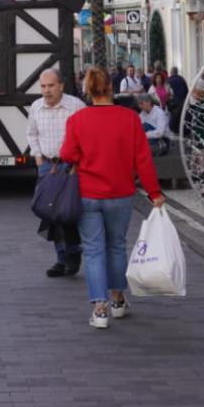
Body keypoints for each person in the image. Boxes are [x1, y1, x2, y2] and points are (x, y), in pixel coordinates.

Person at [59, 67, 166, 329]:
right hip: (120, 192)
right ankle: (118, 300)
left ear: (87, 90)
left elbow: (67, 154)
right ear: (109, 88)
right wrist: (154, 193)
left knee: (94, 250)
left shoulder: (77, 120)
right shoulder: (129, 119)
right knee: (117, 245)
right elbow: (143, 160)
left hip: (87, 193)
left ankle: (100, 308)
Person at [25, 68, 86, 278]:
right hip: (47, 166)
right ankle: (62, 258)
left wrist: (76, 166)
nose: (46, 91)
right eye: (43, 86)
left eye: (51, 86)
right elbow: (31, 134)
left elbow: (85, 138)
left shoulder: (76, 107)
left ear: (61, 86)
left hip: (70, 168)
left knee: (68, 213)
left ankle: (73, 254)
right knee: (50, 213)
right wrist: (38, 158)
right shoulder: (36, 107)